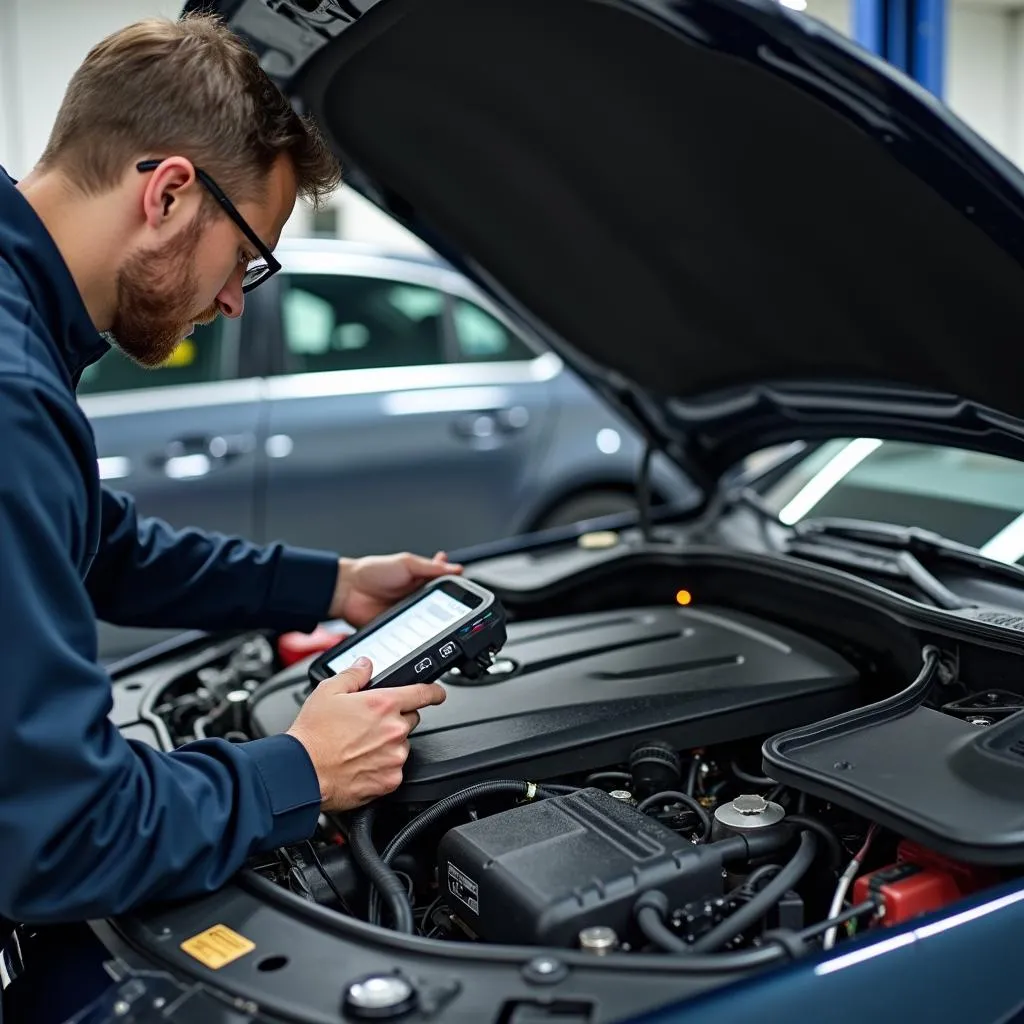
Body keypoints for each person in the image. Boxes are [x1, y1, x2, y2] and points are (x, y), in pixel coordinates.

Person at [0, 13, 454, 924]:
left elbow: (98, 545)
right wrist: (301, 770)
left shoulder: (24, 315)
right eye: (247, 255)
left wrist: (333, 587)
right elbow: (58, 836)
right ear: (169, 192)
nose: (235, 301)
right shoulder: (10, 395)